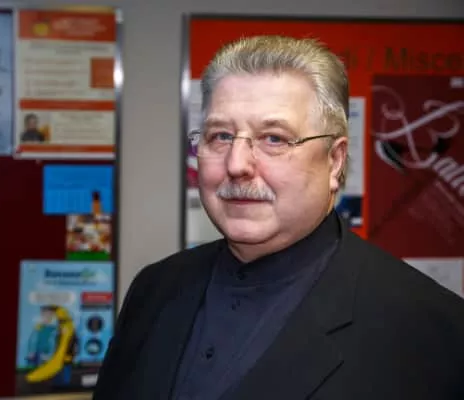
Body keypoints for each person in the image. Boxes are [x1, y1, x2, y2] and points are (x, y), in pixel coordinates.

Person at [92, 36, 464, 400]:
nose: (236, 164)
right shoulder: (154, 289)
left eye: (274, 139)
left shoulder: (433, 331)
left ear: (334, 161)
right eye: (220, 136)